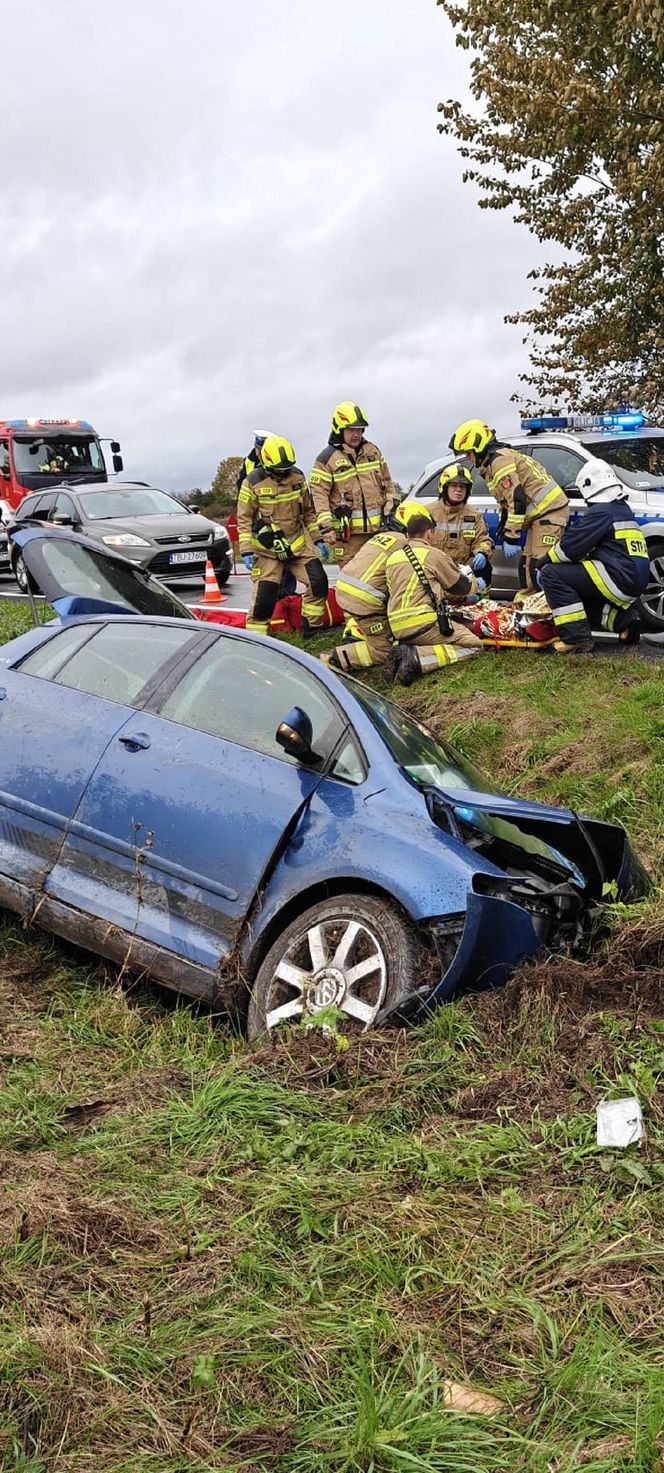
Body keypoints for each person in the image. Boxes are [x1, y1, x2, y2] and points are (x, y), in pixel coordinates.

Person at [536, 462, 650, 653]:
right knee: (574, 595)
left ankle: (576, 639)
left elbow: (569, 548)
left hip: (618, 578)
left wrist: (543, 562)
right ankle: (625, 621)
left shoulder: (601, 512)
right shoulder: (622, 509)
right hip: (632, 580)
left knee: (552, 574)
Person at [448, 419, 569, 591]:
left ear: (478, 447)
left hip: (550, 512)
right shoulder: (492, 464)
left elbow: (517, 498)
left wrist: (512, 536)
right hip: (540, 515)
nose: (467, 457)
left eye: (468, 453)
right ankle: (527, 604)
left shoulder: (499, 461)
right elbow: (506, 502)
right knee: (526, 565)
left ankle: (545, 609)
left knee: (539, 566)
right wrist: (504, 527)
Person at [237, 434, 329, 635]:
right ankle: (256, 638)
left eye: (286, 468)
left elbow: (309, 513)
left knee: (318, 583)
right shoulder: (252, 482)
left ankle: (312, 629)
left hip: (297, 546)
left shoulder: (297, 478)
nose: (284, 473)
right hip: (268, 551)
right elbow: (244, 519)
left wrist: (318, 539)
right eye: (279, 470)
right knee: (265, 597)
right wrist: (246, 551)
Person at [384, 504, 485, 685]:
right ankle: (416, 658)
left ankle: (408, 649)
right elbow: (459, 587)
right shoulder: (432, 555)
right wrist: (477, 586)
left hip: (396, 627)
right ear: (429, 533)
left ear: (407, 534)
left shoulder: (393, 558)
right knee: (473, 646)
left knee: (430, 636)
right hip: (422, 624)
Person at [310, 402, 398, 566]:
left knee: (380, 579)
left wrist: (391, 501)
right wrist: (326, 527)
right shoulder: (326, 459)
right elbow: (319, 496)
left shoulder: (373, 452)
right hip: (348, 537)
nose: (356, 434)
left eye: (359, 429)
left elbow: (387, 482)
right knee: (352, 583)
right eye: (351, 430)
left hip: (377, 532)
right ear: (339, 429)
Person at [433, 462, 493, 582]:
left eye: (463, 486)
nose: (459, 490)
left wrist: (482, 553)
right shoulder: (428, 512)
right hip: (436, 571)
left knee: (485, 569)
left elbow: (483, 540)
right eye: (454, 486)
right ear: (444, 487)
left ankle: (478, 598)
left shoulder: (475, 515)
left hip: (464, 571)